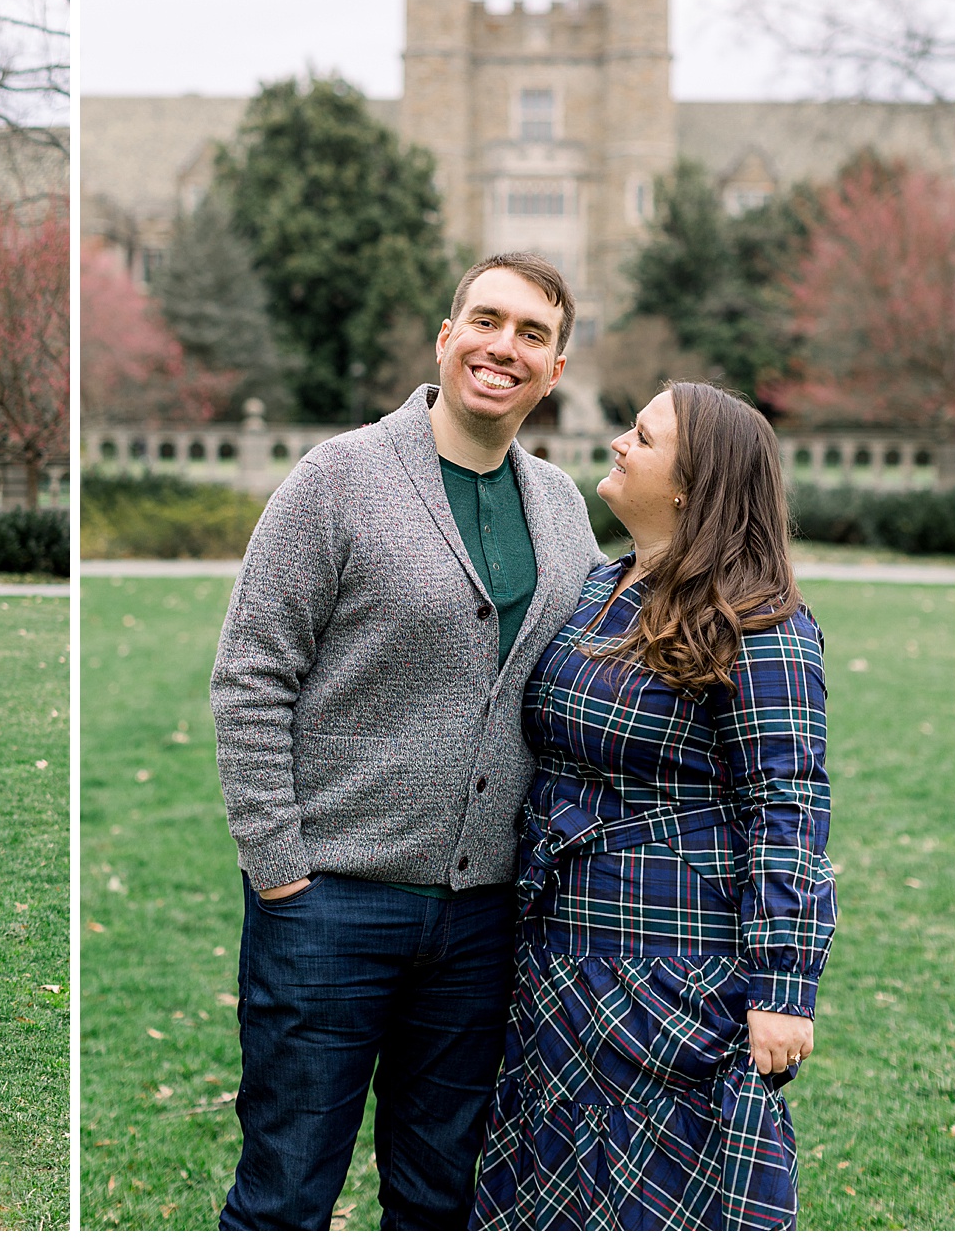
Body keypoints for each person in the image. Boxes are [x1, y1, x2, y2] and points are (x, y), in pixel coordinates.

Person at [211, 252, 606, 1229]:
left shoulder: (559, 507)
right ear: (446, 336)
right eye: (487, 319)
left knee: (440, 1197)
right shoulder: (339, 477)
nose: (502, 346)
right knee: (285, 1193)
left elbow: (602, 669)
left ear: (554, 370)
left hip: (483, 922)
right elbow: (252, 672)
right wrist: (278, 866)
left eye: (531, 334)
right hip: (329, 904)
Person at [472, 382, 835, 1230]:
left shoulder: (761, 624)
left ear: (692, 483)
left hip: (675, 971)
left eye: (642, 435)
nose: (618, 444)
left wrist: (785, 985)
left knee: (658, 1197)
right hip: (560, 953)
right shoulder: (602, 588)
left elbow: (786, 807)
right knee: (553, 1187)